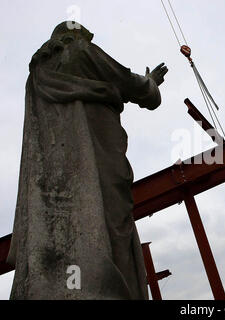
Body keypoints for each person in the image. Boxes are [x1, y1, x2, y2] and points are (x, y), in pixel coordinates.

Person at [7, 21, 168, 300]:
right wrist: (152, 82)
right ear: (75, 35)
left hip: (53, 179)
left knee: (60, 231)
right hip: (97, 162)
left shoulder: (35, 78)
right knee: (110, 224)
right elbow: (131, 84)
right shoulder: (80, 52)